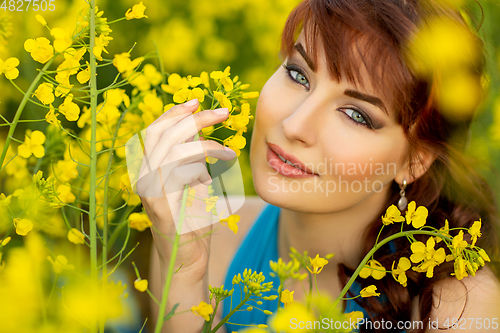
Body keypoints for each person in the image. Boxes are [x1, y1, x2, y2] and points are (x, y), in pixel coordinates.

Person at [139, 0, 500, 332]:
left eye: (356, 114)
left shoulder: (459, 311)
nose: (295, 125)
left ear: (415, 161)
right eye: (298, 74)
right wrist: (185, 276)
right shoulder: (203, 241)